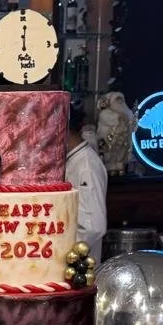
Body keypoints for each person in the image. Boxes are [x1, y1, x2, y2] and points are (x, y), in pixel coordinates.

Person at [65, 105, 108, 263]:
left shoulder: (86, 166)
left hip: (80, 266)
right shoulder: (74, 161)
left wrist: (63, 252)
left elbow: (92, 226)